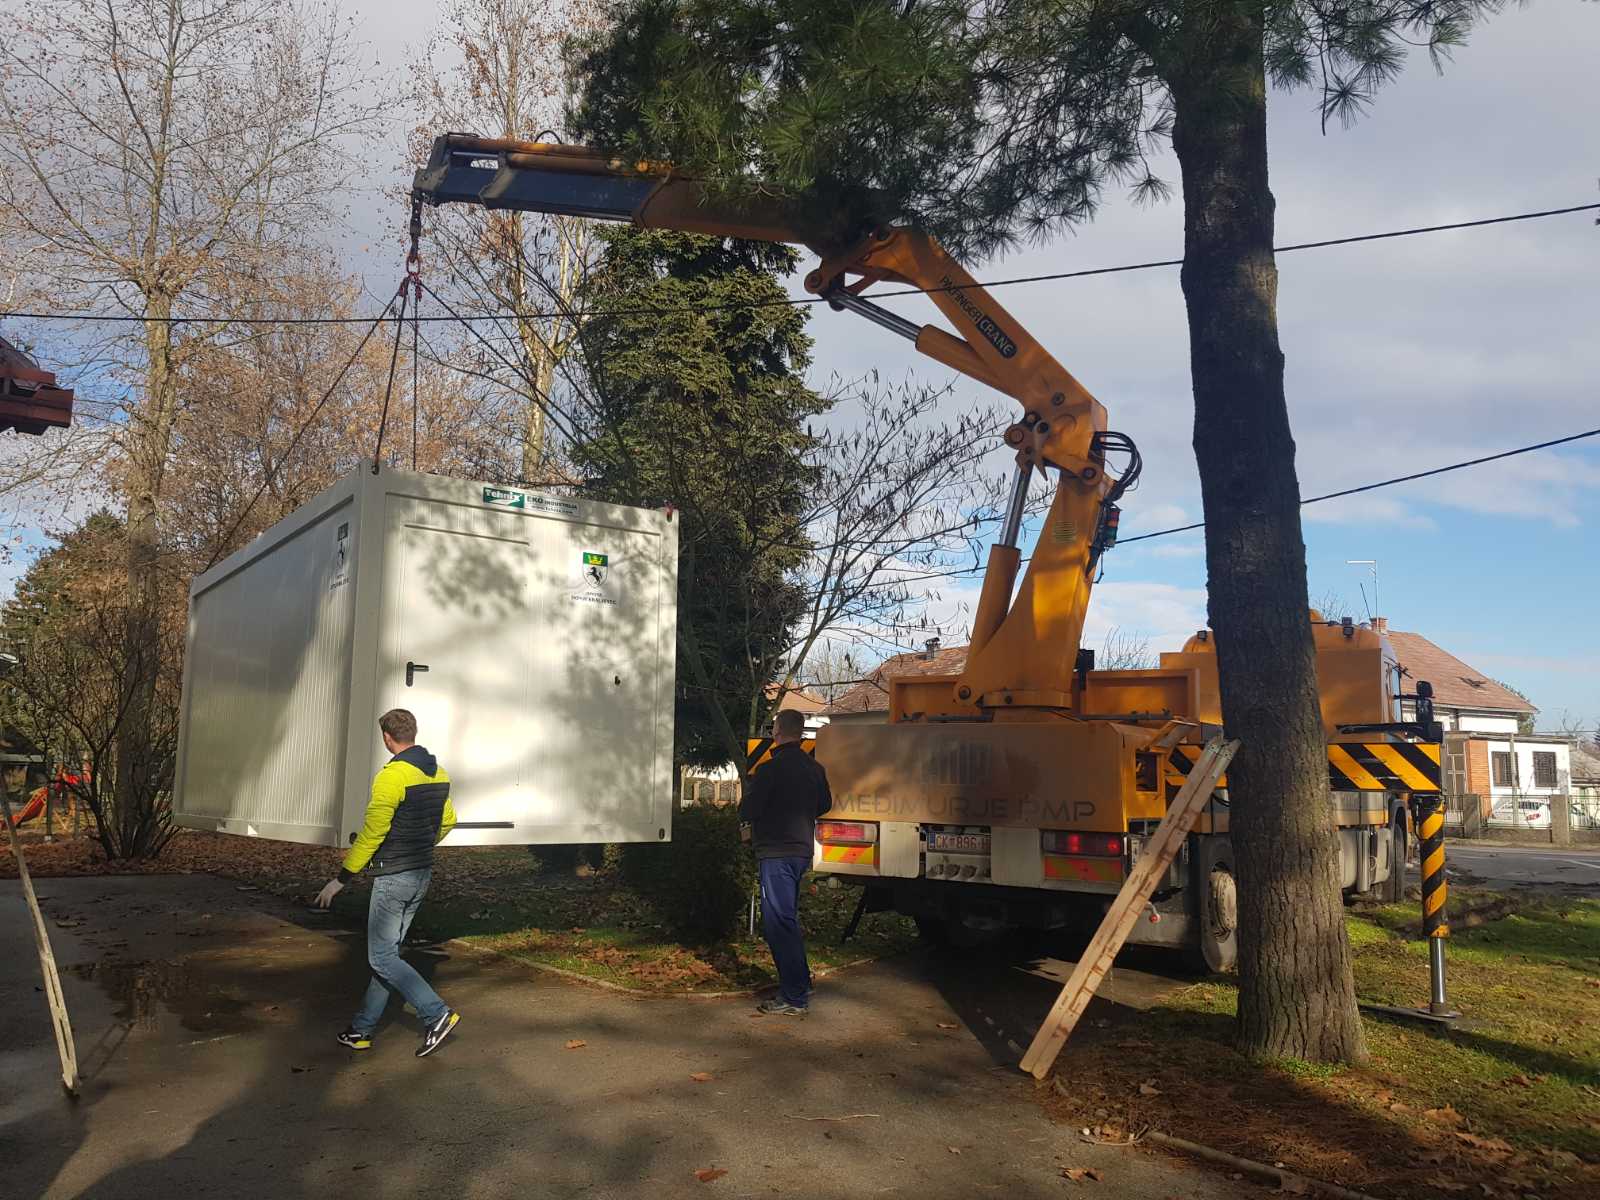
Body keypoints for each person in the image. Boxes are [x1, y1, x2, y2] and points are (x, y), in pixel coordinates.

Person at [316, 708, 461, 1057]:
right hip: (421, 873)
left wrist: (340, 879)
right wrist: (421, 846)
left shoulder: (391, 777)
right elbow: (448, 821)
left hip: (394, 878)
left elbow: (372, 834)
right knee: (387, 956)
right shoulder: (438, 773)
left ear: (387, 737)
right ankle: (362, 1030)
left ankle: (436, 1013)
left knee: (381, 958)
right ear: (413, 732)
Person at [740, 707, 832, 1015]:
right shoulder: (815, 768)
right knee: (787, 919)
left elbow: (748, 810)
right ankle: (801, 982)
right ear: (801, 732)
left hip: (775, 852)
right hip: (801, 851)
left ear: (777, 732)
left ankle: (793, 997)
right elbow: (825, 804)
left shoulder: (769, 770)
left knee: (779, 924)